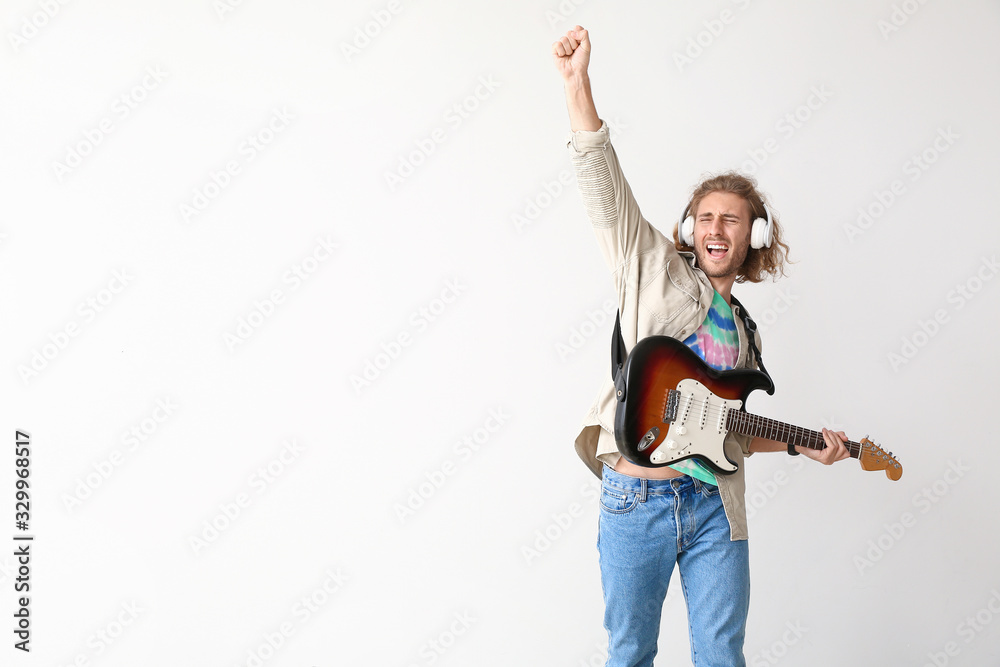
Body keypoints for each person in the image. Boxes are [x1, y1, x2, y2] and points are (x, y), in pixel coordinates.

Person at [552, 25, 852, 667]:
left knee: (722, 655)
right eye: (706, 216)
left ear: (753, 237)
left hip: (716, 505)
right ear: (690, 228)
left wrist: (807, 446)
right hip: (637, 498)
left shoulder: (746, 333)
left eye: (733, 219)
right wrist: (579, 89)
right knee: (630, 653)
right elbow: (605, 190)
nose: (717, 227)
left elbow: (729, 428)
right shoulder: (648, 265)